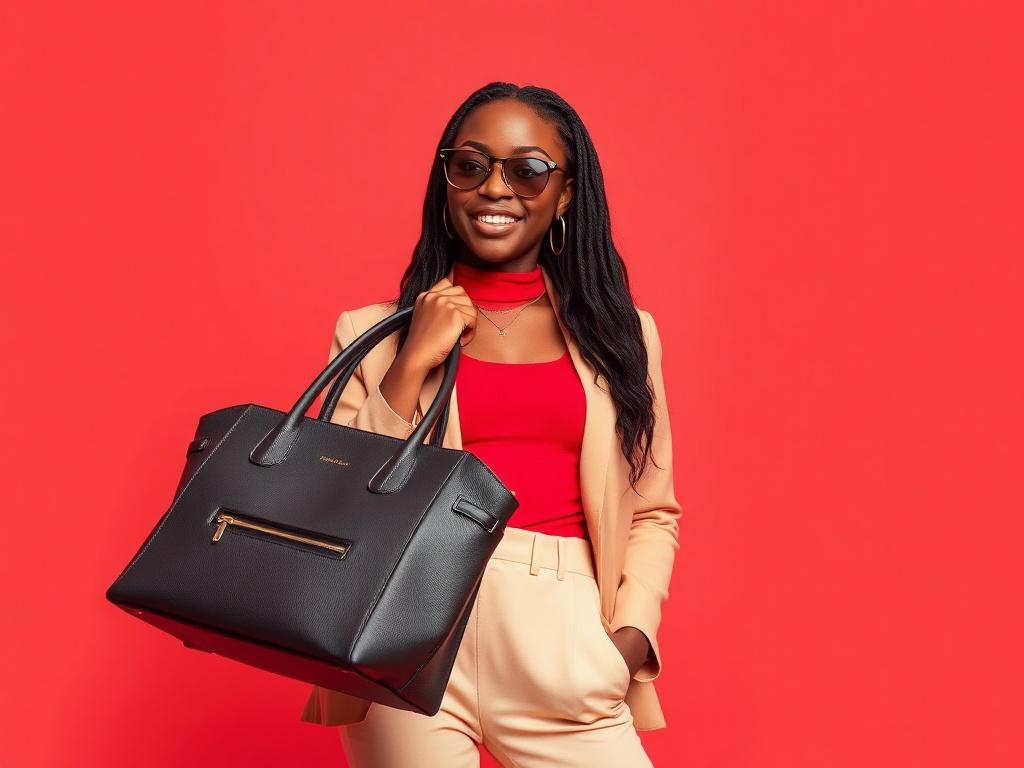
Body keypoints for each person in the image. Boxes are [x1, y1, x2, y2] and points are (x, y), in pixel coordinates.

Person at [300, 81, 682, 768]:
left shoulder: (624, 338)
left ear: (564, 195)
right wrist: (411, 361)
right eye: (471, 166)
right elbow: (342, 502)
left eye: (527, 170)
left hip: (563, 633)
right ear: (447, 183)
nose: (495, 188)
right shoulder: (371, 334)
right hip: (406, 630)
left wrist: (628, 638)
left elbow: (653, 511)